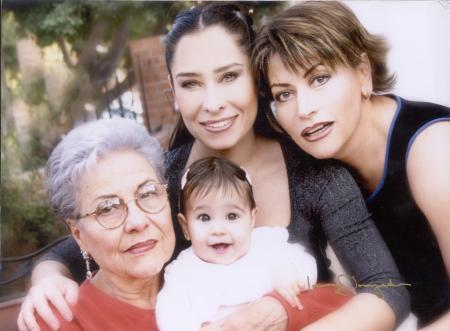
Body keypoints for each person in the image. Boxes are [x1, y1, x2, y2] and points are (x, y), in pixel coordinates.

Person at [18, 3, 410, 331]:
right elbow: (83, 241)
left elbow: (389, 288)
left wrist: (280, 311)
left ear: (256, 80)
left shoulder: (314, 175)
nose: (212, 102)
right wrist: (47, 278)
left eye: (228, 76)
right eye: (191, 84)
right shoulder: (165, 178)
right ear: (173, 92)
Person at [252, 1, 450, 329]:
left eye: (319, 78)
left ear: (363, 73)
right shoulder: (321, 166)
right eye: (284, 94)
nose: (304, 108)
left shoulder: (433, 150)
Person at [157, 156, 350, 331]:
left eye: (232, 216)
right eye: (204, 217)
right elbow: (169, 313)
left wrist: (292, 272)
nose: (218, 229)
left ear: (251, 219)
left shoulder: (266, 245)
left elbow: (309, 267)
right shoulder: (183, 271)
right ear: (185, 226)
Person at [31, 118, 176, 330]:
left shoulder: (212, 283)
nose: (138, 221)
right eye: (107, 208)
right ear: (78, 235)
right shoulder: (59, 322)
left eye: (148, 193)